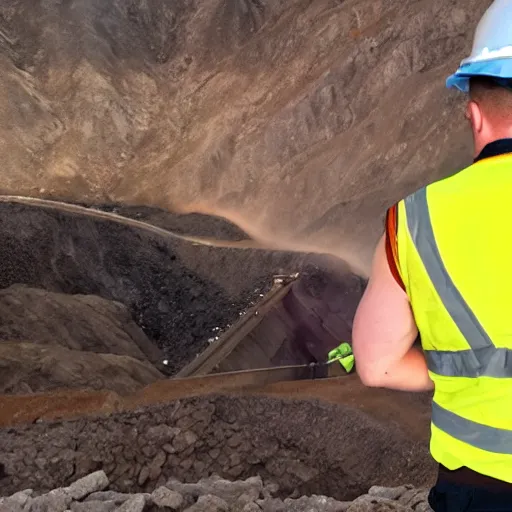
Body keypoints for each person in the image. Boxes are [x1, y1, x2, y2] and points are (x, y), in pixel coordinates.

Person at [352, 1, 512, 510]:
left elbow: (377, 366)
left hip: (480, 488)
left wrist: (461, 369)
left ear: (474, 113)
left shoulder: (414, 221)